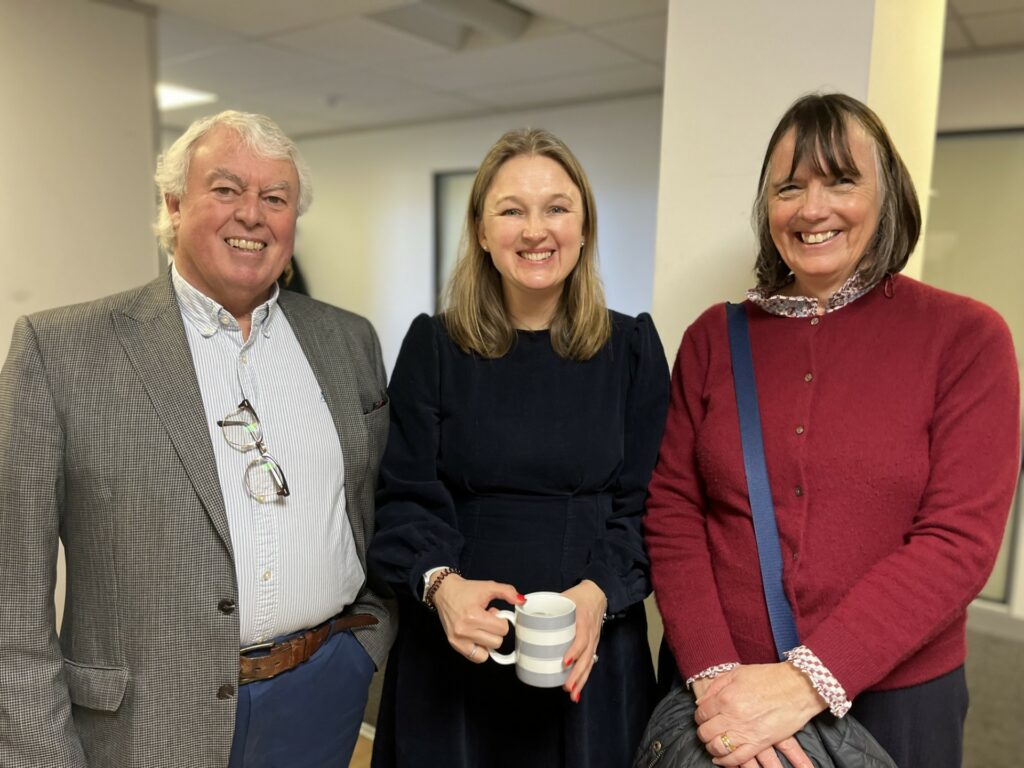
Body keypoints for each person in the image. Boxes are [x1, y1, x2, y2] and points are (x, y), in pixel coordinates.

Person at [0, 111, 393, 768]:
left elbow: (375, 503)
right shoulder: (59, 352)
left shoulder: (349, 342)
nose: (252, 215)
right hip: (146, 723)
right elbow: (10, 598)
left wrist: (363, 650)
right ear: (174, 204)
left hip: (321, 697)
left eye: (276, 198)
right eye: (226, 189)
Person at [645, 92, 1021, 768]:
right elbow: (674, 510)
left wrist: (801, 683)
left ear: (888, 196)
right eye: (790, 187)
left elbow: (959, 540)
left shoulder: (967, 338)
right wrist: (713, 675)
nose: (812, 208)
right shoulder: (712, 338)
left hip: (897, 704)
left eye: (841, 180)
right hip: (719, 691)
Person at [367, 127, 669, 767]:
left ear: (584, 226)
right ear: (481, 231)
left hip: (590, 650)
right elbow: (401, 500)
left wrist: (598, 597)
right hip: (454, 654)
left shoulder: (634, 351)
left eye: (556, 207)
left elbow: (649, 506)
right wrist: (441, 586)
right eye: (511, 210)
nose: (536, 229)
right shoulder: (434, 348)